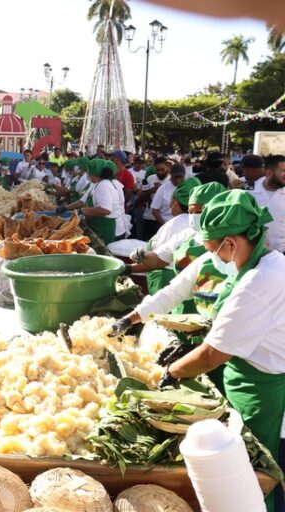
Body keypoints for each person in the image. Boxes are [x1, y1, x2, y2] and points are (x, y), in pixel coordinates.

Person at [145, 191, 285, 512]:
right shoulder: (270, 261)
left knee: (253, 474)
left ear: (231, 244)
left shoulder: (258, 283)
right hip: (249, 376)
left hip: (260, 390)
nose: (214, 259)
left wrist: (170, 373)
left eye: (213, 250)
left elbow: (211, 356)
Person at [130, 178, 204, 296]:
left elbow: (159, 260)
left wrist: (128, 269)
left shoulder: (174, 224)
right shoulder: (200, 225)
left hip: (166, 281)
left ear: (174, 202)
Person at [60, 159, 125, 244]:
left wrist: (83, 211)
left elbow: (105, 210)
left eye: (89, 172)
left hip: (105, 229)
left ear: (95, 172)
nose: (87, 174)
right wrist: (66, 207)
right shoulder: (95, 184)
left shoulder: (104, 185)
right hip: (97, 226)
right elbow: (82, 201)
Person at [249, 155, 285, 253]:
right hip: (255, 253)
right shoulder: (249, 191)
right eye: (283, 171)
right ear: (269, 172)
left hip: (281, 253)